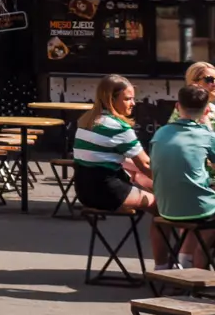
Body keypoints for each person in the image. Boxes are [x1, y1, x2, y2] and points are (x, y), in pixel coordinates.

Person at [73, 73, 167, 266]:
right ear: (110, 98)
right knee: (164, 208)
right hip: (107, 191)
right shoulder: (119, 127)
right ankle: (163, 266)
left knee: (138, 175)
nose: (133, 103)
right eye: (127, 98)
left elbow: (125, 163)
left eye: (133, 98)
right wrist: (167, 183)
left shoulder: (86, 121)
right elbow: (146, 164)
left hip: (84, 190)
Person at [150, 83, 215, 267]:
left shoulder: (160, 133)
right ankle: (193, 269)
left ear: (178, 106)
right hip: (197, 209)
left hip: (165, 207)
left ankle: (182, 262)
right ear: (207, 110)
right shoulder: (206, 136)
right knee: (205, 218)